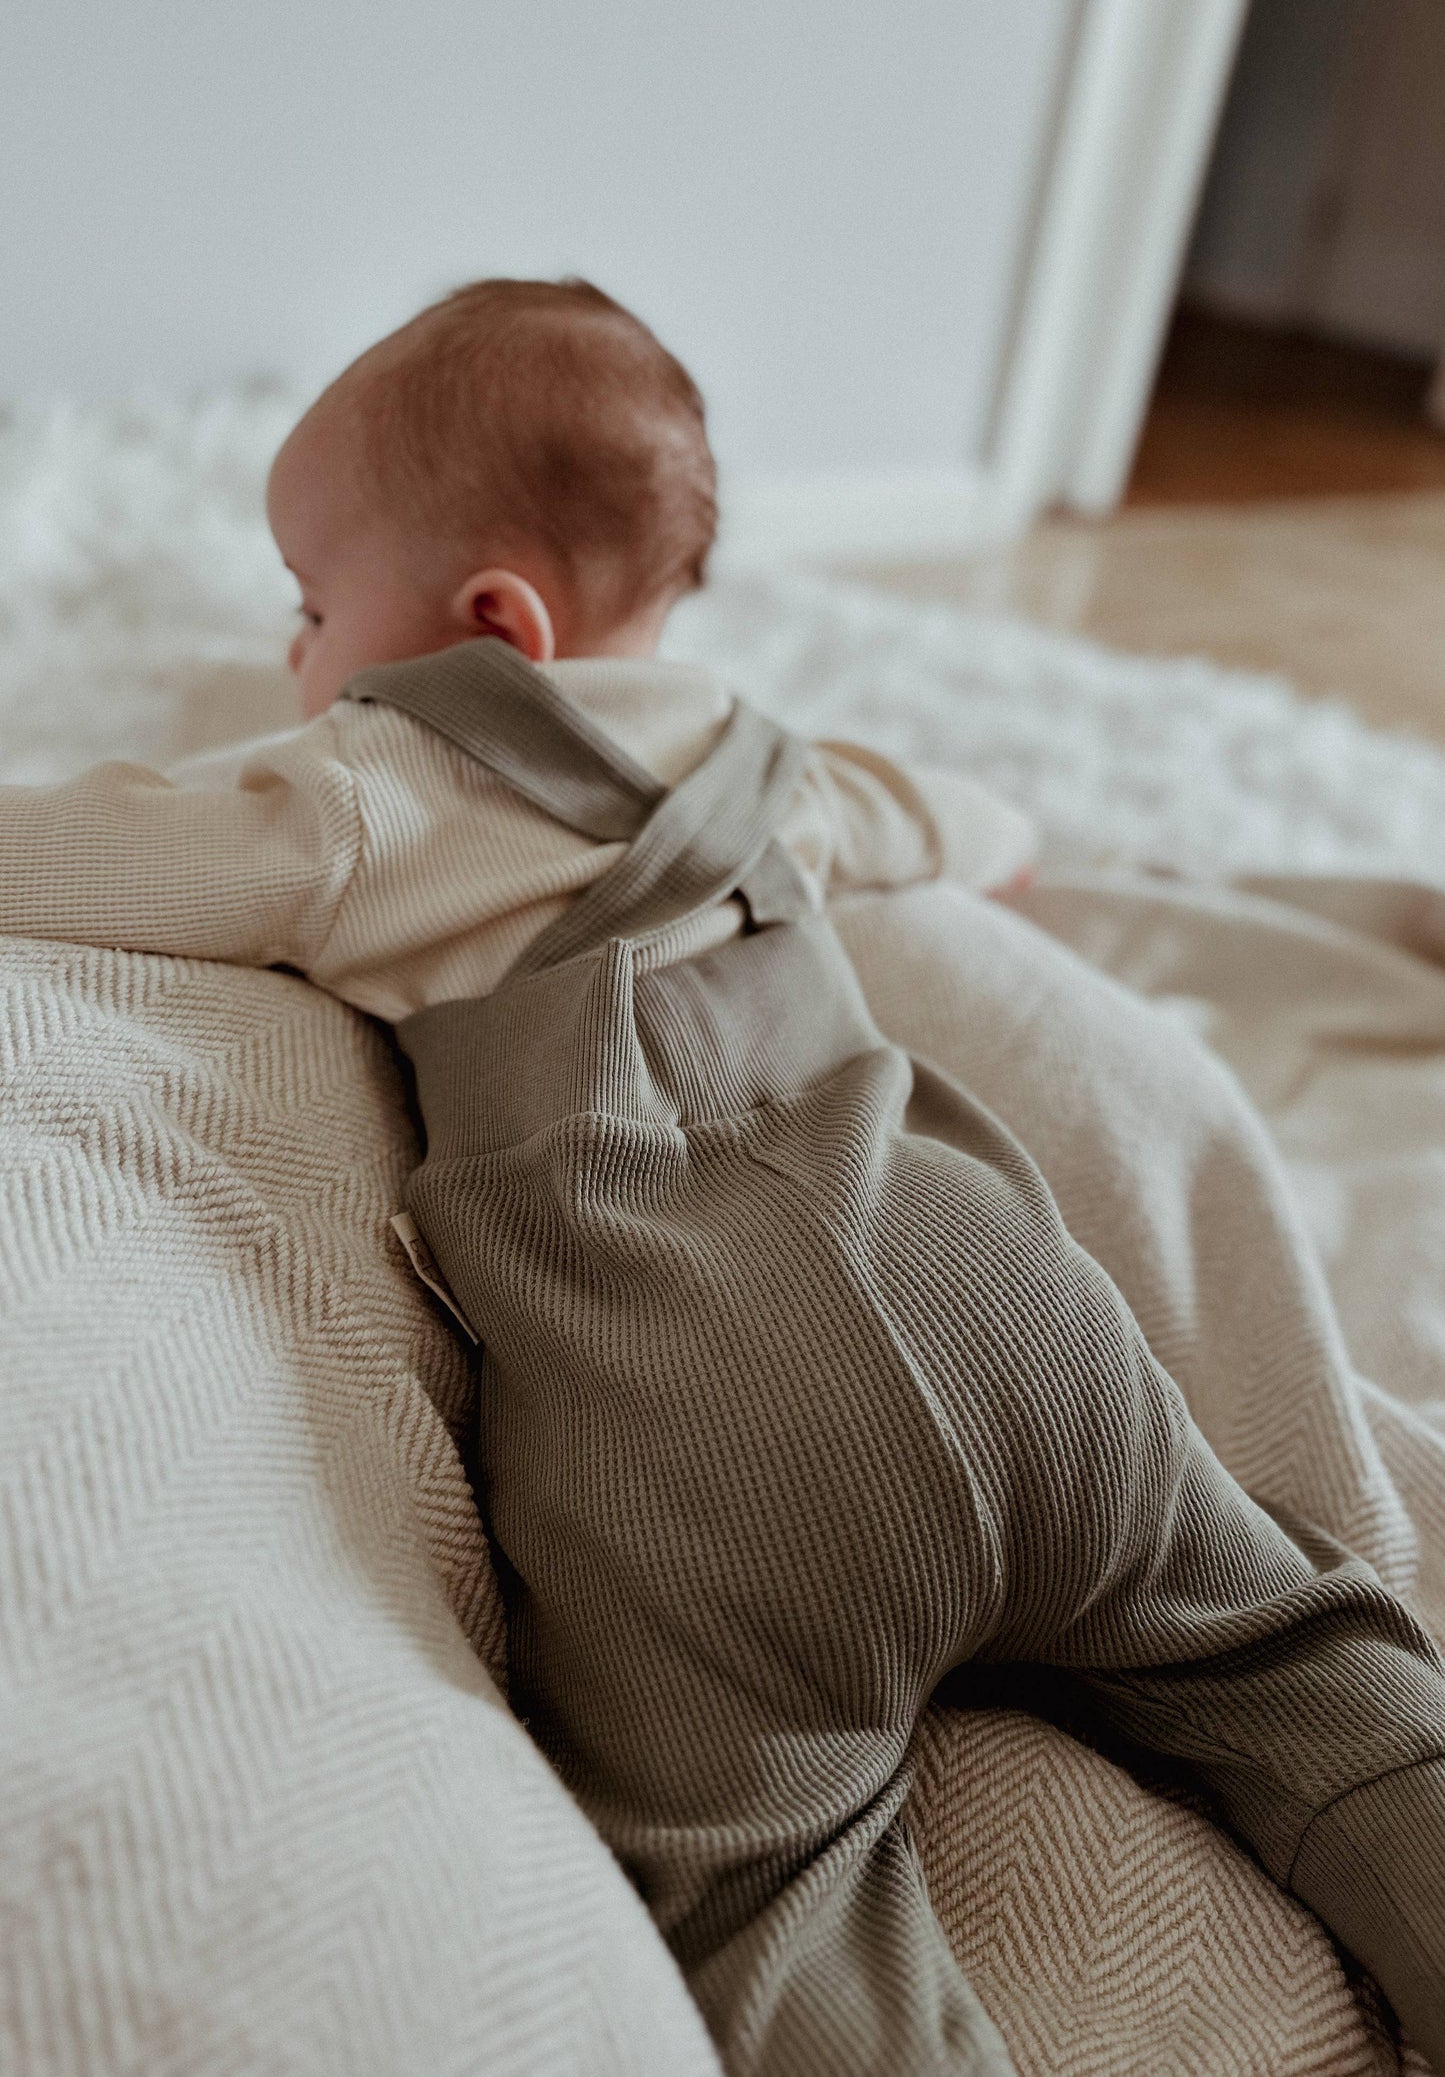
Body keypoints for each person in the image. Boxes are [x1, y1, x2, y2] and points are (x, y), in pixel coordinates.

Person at [2, 278, 1442, 2076]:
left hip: (699, 1431)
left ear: (491, 624)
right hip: (1000, 1305)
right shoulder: (763, 757)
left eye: (309, 606)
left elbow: (92, 858)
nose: (296, 653)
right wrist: (1004, 854)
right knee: (1290, 1649)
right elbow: (948, 812)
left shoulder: (369, 785)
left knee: (757, 1890)